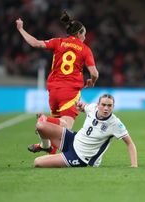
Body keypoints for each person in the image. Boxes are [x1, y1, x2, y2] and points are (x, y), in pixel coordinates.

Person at [16, 11, 99, 154]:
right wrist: (92, 81)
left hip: (53, 91)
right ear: (79, 33)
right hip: (70, 91)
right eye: (84, 34)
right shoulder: (85, 49)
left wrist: (20, 29)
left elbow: (35, 43)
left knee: (55, 129)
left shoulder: (58, 42)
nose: (85, 37)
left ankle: (46, 146)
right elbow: (94, 73)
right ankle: (43, 119)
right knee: (65, 125)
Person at [32, 94, 138, 168]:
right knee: (40, 126)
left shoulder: (115, 123)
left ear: (113, 107)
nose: (106, 108)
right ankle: (46, 147)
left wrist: (134, 165)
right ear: (98, 105)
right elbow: (83, 108)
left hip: (80, 156)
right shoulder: (92, 108)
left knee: (37, 162)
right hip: (72, 139)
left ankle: (60, 159)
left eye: (109, 106)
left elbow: (130, 143)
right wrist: (80, 106)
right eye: (103, 105)